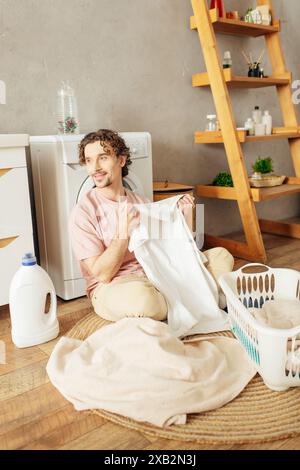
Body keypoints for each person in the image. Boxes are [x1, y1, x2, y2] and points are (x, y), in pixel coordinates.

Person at [69, 129, 234, 322]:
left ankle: (180, 301)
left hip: (156, 274)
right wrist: (123, 231)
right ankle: (199, 299)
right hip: (116, 286)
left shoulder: (141, 201)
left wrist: (186, 217)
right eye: (88, 160)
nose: (94, 167)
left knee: (221, 255)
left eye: (103, 158)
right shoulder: (82, 212)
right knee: (144, 300)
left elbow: (172, 250)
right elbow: (102, 275)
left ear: (121, 160)